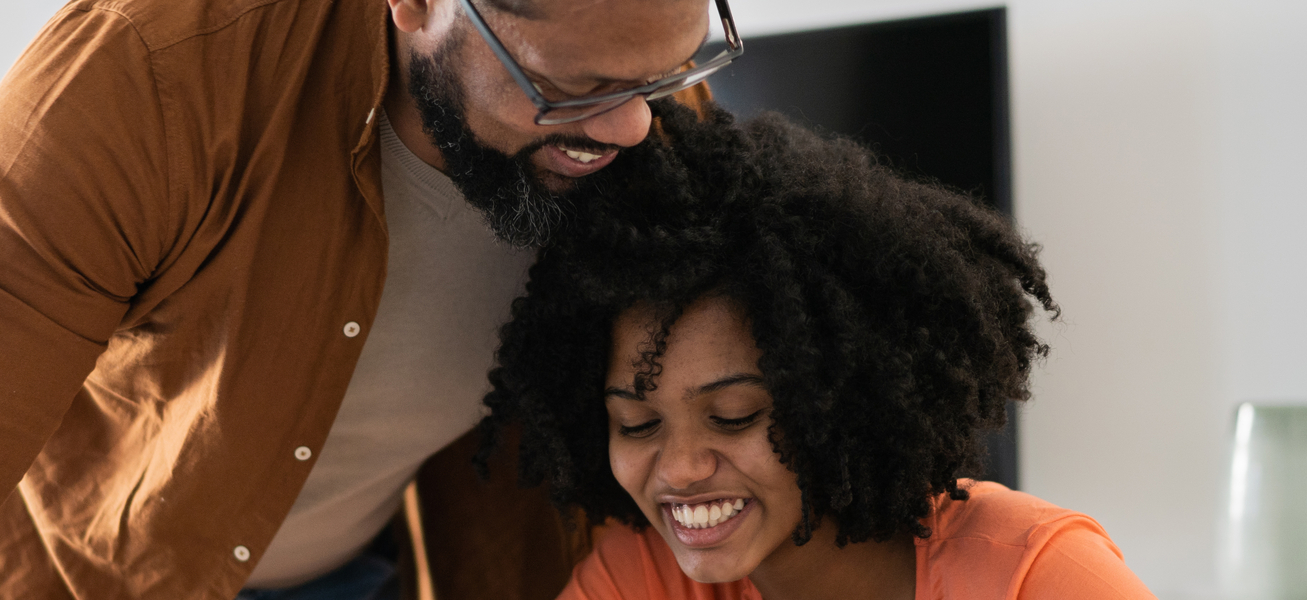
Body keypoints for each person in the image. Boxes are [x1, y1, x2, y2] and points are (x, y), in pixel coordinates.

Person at [0, 0, 735, 596]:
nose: (628, 130)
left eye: (665, 70)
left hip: (359, 573)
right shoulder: (155, 72)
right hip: (87, 581)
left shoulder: (643, 116)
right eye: (571, 87)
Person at [475, 105, 1159, 599]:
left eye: (735, 415)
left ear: (841, 400)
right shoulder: (640, 579)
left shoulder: (1034, 576)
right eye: (638, 424)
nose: (680, 470)